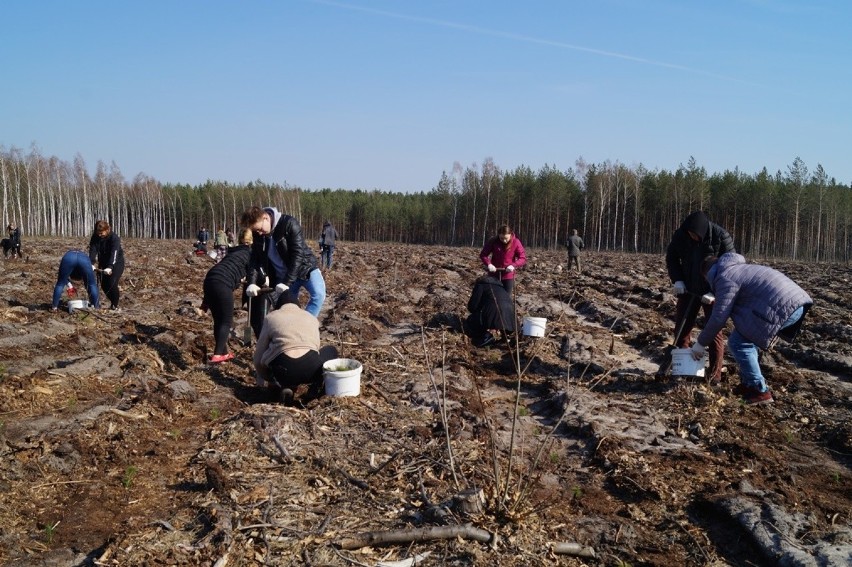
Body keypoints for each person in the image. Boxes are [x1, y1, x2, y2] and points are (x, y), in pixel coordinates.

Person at [690, 253, 812, 405]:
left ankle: (759, 390)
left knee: (738, 343)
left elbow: (718, 318)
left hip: (784, 309)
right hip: (795, 302)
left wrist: (700, 344)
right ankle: (748, 383)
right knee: (745, 337)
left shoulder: (725, 277)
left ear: (708, 273)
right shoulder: (737, 269)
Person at [665, 211, 735, 382]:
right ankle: (683, 371)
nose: (692, 237)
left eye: (695, 235)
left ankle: (715, 376)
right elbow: (672, 257)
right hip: (688, 289)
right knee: (682, 328)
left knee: (714, 332)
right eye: (690, 234)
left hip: (711, 291)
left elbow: (732, 267)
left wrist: (716, 292)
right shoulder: (681, 234)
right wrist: (678, 280)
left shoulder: (720, 236)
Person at [241, 206, 326, 320]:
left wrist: (287, 282)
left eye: (260, 229)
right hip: (282, 276)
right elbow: (255, 260)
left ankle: (307, 323)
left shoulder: (288, 224)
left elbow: (298, 254)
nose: (259, 233)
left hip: (305, 268)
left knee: (319, 295)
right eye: (256, 231)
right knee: (286, 310)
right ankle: (291, 331)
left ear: (265, 217)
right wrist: (251, 282)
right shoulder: (258, 235)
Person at [253, 293, 338, 404]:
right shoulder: (311, 317)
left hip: (283, 369)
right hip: (311, 368)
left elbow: (259, 355)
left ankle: (283, 386)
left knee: (276, 354)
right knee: (331, 350)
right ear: (298, 306)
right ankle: (315, 388)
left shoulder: (271, 318)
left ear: (278, 307)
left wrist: (268, 378)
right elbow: (316, 347)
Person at [202, 229, 254, 364]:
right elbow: (252, 275)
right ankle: (218, 355)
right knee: (226, 321)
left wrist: (205, 302)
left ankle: (223, 352)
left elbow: (222, 271)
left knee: (218, 320)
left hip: (210, 279)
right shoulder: (250, 254)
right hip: (223, 284)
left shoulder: (233, 252)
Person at [465, 275, 516, 347]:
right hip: (511, 320)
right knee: (499, 318)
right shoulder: (501, 288)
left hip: (492, 315)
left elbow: (473, 306)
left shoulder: (481, 285)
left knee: (472, 321)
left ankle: (485, 336)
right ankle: (506, 338)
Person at [89, 220, 125, 311]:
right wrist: (91, 263)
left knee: (112, 283)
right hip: (103, 262)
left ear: (107, 230)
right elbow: (93, 250)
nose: (99, 235)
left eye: (101, 233)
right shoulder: (95, 237)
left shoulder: (114, 238)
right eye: (98, 233)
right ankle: (113, 302)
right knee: (104, 285)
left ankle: (115, 305)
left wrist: (110, 266)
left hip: (116, 263)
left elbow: (114, 253)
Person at [479, 225, 527, 295]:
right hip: (494, 273)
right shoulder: (493, 241)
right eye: (501, 238)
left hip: (508, 275)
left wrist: (513, 265)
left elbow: (522, 258)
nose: (504, 241)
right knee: (493, 296)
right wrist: (489, 264)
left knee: (506, 297)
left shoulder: (516, 242)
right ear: (498, 235)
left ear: (510, 235)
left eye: (506, 238)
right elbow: (483, 255)